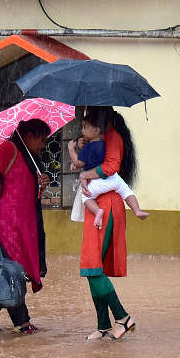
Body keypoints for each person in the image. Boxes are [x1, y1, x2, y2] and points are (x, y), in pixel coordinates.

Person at [0, 118, 51, 335]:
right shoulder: (8, 149)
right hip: (5, 224)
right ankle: (21, 322)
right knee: (12, 273)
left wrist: (40, 185)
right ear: (28, 137)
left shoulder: (30, 158)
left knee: (10, 272)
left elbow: (24, 190)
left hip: (22, 227)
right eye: (42, 140)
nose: (44, 145)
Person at [78, 106, 147, 341]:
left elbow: (111, 168)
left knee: (92, 267)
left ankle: (123, 317)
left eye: (88, 115)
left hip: (106, 207)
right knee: (93, 268)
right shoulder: (100, 138)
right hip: (99, 205)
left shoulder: (113, 137)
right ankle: (103, 324)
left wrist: (85, 175)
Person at [69, 114, 146, 228]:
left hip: (99, 183)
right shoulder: (104, 142)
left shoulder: (98, 143)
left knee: (86, 197)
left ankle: (97, 212)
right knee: (127, 192)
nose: (82, 130)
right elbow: (94, 160)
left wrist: (71, 149)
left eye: (85, 127)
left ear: (97, 129)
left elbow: (79, 162)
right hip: (114, 179)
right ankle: (137, 210)